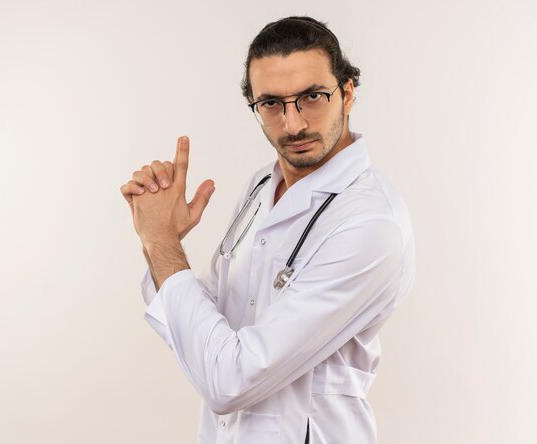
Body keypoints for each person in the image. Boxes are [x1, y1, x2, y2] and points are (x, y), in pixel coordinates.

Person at [120, 16, 415, 444]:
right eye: (271, 104)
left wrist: (163, 245)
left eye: (312, 97)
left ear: (348, 93)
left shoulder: (371, 224)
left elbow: (230, 380)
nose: (293, 125)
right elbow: (205, 326)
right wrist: (157, 237)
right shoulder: (264, 183)